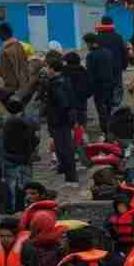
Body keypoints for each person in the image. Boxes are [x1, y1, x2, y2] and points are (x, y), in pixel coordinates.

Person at [42, 52, 79, 183]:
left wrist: (55, 117)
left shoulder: (55, 84)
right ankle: (67, 171)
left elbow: (62, 103)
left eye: (48, 67)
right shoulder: (64, 80)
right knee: (65, 147)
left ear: (52, 69)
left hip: (59, 121)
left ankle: (70, 176)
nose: (46, 70)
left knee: (63, 148)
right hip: (64, 120)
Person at [84, 33, 117, 136]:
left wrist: (89, 90)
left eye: (87, 44)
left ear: (90, 43)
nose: (87, 46)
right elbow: (114, 68)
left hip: (98, 87)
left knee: (101, 110)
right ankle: (111, 129)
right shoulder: (108, 52)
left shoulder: (90, 56)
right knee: (108, 108)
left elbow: (90, 74)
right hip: (110, 84)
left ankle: (105, 131)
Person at [0, 23, 31, 95]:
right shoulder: (18, 45)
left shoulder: (7, 49)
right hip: (20, 84)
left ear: (1, 34)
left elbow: (16, 69)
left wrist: (21, 90)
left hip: (13, 87)